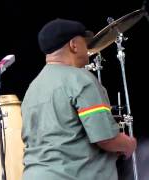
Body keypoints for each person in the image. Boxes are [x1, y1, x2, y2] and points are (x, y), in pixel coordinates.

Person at [21, 18, 137, 180]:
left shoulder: (32, 89)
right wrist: (129, 144)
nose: (89, 48)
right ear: (73, 45)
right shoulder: (81, 79)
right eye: (85, 42)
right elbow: (105, 138)